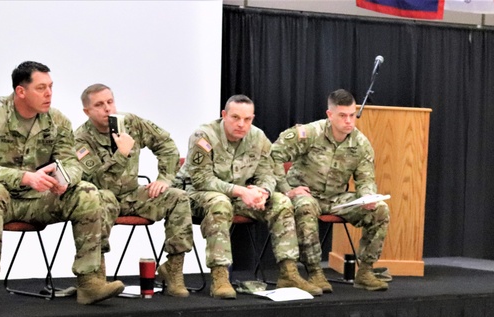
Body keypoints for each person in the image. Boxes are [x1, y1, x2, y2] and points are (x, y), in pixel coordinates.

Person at [0, 61, 123, 310]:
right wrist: (25, 177)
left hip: (36, 200)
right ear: (21, 91)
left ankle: (90, 282)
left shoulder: (57, 121)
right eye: (41, 88)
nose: (49, 93)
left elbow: (73, 163)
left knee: (88, 192)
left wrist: (64, 179)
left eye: (51, 86)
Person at [175, 95, 318, 299]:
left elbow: (267, 173)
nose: (241, 124)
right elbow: (202, 180)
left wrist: (263, 192)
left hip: (236, 196)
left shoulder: (258, 138)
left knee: (281, 202)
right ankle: (220, 276)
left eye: (247, 119)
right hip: (194, 194)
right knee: (220, 202)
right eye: (235, 117)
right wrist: (242, 191)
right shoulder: (204, 135)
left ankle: (289, 272)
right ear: (224, 115)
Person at [75, 84, 193, 297]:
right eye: (99, 105)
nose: (107, 109)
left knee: (178, 197)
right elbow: (100, 182)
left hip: (133, 195)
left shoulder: (130, 123)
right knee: (102, 198)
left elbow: (166, 145)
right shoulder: (81, 141)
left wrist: (164, 179)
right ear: (87, 111)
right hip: (103, 198)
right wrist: (121, 153)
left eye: (110, 102)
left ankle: (173, 270)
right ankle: (96, 278)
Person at [271, 89, 391, 292]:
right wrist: (286, 190)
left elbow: (365, 179)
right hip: (306, 194)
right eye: (343, 116)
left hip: (336, 199)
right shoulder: (309, 133)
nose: (349, 121)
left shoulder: (360, 144)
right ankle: (315, 272)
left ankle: (365, 272)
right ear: (330, 115)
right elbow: (273, 155)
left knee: (380, 209)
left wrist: (368, 197)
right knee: (306, 205)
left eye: (352, 115)